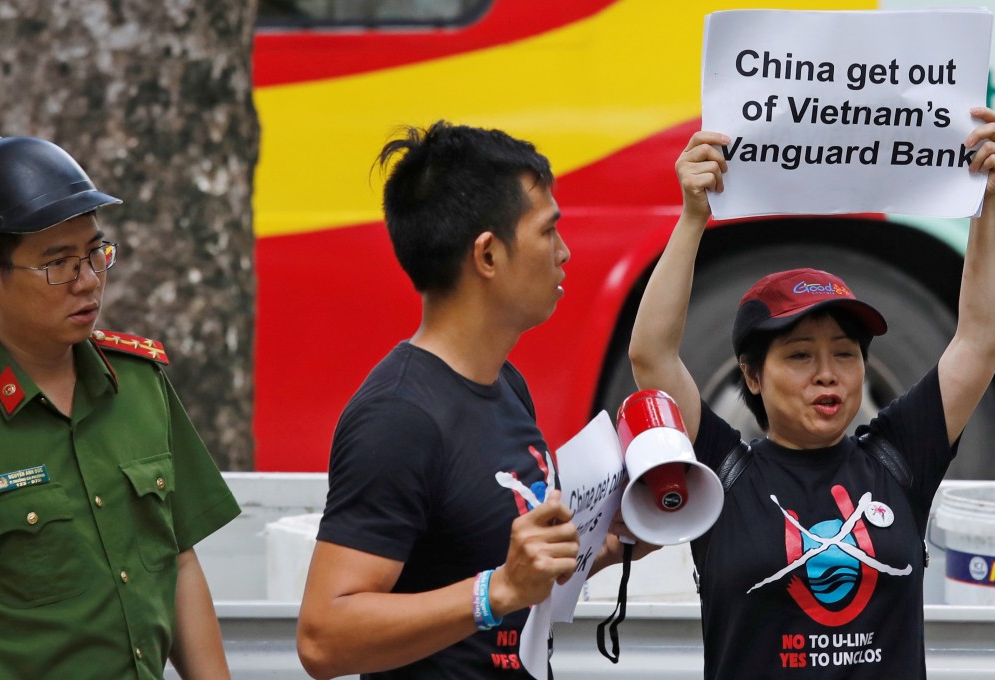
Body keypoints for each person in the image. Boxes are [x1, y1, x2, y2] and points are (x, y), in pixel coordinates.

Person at [627, 107, 995, 680]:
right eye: (799, 355)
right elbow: (651, 355)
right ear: (750, 375)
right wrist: (693, 217)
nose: (828, 374)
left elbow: (978, 341)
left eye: (845, 353)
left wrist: (987, 200)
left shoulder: (900, 459)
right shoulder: (721, 473)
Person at [296, 121, 645, 680]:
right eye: (547, 232)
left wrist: (618, 536)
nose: (565, 252)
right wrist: (499, 589)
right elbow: (322, 638)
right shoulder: (398, 417)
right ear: (487, 255)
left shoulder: (506, 383)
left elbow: (509, 572)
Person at [0, 135, 241, 680]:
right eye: (58, 265)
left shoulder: (137, 382)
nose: (89, 281)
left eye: (96, 254)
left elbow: (179, 559)